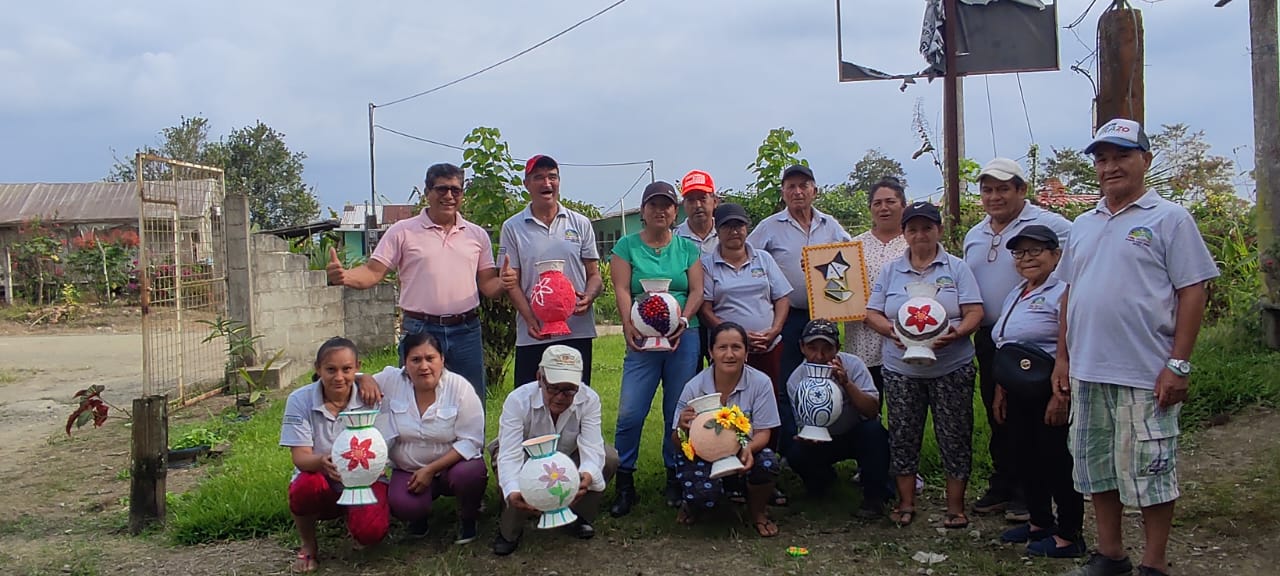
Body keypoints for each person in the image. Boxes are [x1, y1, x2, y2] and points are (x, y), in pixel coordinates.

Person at [1055, 119, 1218, 576]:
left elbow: (1193, 290)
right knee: (1096, 468)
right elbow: (1070, 292)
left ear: (1145, 160)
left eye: (1121, 156)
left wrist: (1178, 364)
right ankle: (1111, 555)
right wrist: (1063, 358)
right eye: (1102, 159)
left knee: (1151, 473)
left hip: (1145, 372)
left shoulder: (1169, 218)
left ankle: (1154, 563)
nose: (1110, 167)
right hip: (1088, 371)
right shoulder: (1083, 224)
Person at [327, 163, 504, 401]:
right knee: (413, 400)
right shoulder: (402, 232)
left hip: (465, 330)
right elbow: (372, 271)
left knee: (470, 400)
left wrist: (506, 282)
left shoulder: (477, 235)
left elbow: (488, 285)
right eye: (441, 189)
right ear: (427, 192)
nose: (449, 196)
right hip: (420, 329)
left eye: (455, 190)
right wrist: (345, 277)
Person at [963, 157, 1072, 521]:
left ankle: (1032, 494)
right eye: (987, 190)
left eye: (1003, 189)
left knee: (1037, 420)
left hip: (1040, 341)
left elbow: (1077, 268)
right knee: (999, 413)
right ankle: (1005, 482)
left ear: (1021, 190)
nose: (994, 197)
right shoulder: (975, 234)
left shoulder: (1052, 225)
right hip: (992, 338)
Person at [865, 201, 984, 530]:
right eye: (913, 229)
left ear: (939, 230)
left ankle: (956, 507)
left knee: (955, 436)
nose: (920, 235)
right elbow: (872, 312)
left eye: (927, 228)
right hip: (901, 368)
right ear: (904, 233)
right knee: (903, 435)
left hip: (951, 366)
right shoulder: (891, 270)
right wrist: (893, 332)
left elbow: (974, 311)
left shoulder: (956, 268)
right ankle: (905, 503)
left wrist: (958, 333)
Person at [987, 225, 1085, 559]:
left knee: (1056, 459)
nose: (1026, 258)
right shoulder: (1018, 291)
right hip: (1017, 388)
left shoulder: (1063, 291)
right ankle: (1039, 521)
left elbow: (1070, 345)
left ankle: (1069, 533)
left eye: (1035, 251)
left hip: (1048, 387)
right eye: (1020, 252)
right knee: (1025, 456)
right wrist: (1001, 389)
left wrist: (1061, 394)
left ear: (1056, 255)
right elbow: (1006, 342)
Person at [609, 181, 704, 516]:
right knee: (631, 411)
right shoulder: (626, 246)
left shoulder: (687, 248)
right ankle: (624, 481)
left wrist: (684, 320)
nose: (660, 211)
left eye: (667, 205)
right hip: (642, 337)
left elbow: (696, 290)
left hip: (683, 337)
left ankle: (675, 474)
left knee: (677, 410)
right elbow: (622, 288)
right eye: (653, 205)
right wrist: (628, 324)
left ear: (675, 211)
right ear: (644, 211)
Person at [748, 164, 852, 457]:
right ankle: (789, 448)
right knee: (785, 381)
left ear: (814, 191)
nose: (797, 192)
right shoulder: (769, 227)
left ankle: (825, 437)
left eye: (803, 186)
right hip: (788, 316)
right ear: (783, 193)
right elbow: (747, 256)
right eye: (791, 186)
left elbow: (850, 258)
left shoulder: (830, 225)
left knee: (823, 376)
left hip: (825, 316)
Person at [490, 345, 618, 555]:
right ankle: (510, 531)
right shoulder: (517, 400)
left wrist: (585, 477)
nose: (560, 397)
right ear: (539, 378)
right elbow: (510, 454)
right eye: (553, 388)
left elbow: (592, 447)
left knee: (609, 457)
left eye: (569, 390)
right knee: (511, 479)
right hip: (525, 458)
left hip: (567, 456)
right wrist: (513, 491)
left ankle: (577, 516)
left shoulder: (590, 399)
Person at [279, 337, 391, 573]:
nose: (339, 377)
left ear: (357, 367)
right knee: (304, 486)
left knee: (371, 533)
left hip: (366, 479)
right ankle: (308, 544)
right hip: (324, 478)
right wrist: (321, 462)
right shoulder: (299, 400)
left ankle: (355, 519)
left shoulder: (371, 395)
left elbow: (405, 373)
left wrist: (364, 378)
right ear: (318, 369)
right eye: (330, 370)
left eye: (347, 369)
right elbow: (300, 457)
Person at [498, 155, 604, 387]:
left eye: (552, 177)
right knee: (530, 398)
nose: (547, 183)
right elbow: (511, 282)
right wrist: (530, 319)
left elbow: (594, 275)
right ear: (527, 184)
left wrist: (588, 296)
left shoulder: (580, 223)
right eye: (539, 177)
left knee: (574, 396)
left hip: (576, 331)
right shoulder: (512, 227)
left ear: (559, 181)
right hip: (533, 333)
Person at [375, 331, 488, 545]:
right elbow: (354, 380)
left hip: (451, 468)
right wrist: (364, 380)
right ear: (405, 363)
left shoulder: (459, 387)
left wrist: (431, 470)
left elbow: (471, 440)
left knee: (471, 473)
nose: (424, 366)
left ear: (442, 360)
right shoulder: (391, 381)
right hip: (409, 469)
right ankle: (419, 517)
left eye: (430, 358)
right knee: (403, 505)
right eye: (416, 360)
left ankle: (468, 517)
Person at [671, 322, 782, 537]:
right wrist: (683, 429)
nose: (729, 354)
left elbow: (764, 432)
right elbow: (675, 440)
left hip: (743, 452)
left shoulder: (760, 383)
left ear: (746, 353)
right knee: (704, 497)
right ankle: (693, 503)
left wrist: (748, 449)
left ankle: (758, 512)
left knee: (767, 463)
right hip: (702, 456)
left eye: (736, 347)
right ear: (711, 352)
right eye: (722, 347)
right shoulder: (694, 387)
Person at [785, 319, 892, 519]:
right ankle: (823, 483)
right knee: (796, 452)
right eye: (812, 348)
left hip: (855, 432)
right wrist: (807, 436)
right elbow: (804, 423)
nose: (819, 356)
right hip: (822, 439)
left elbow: (872, 411)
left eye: (827, 349)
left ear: (838, 348)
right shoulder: (796, 379)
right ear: (802, 347)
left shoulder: (853, 364)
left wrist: (846, 383)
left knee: (875, 433)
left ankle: (875, 496)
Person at [699, 202, 791, 389]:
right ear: (717, 230)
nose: (734, 231)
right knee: (731, 397)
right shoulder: (707, 265)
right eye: (727, 226)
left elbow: (782, 298)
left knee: (768, 395)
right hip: (728, 350)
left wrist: (774, 330)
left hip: (768, 346)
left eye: (739, 225)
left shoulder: (763, 258)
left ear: (746, 228)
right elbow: (705, 310)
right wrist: (737, 337)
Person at [844, 177, 910, 401]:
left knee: (903, 407)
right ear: (870, 208)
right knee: (866, 406)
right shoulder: (853, 247)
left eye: (890, 202)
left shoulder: (913, 244)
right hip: (862, 341)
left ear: (903, 205)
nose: (884, 208)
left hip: (903, 340)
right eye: (877, 203)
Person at [676, 169, 720, 369]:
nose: (698, 205)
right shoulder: (674, 239)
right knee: (688, 376)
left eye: (703, 198)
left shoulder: (728, 235)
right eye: (691, 200)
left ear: (715, 201)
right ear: (684, 205)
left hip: (720, 314)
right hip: (687, 319)